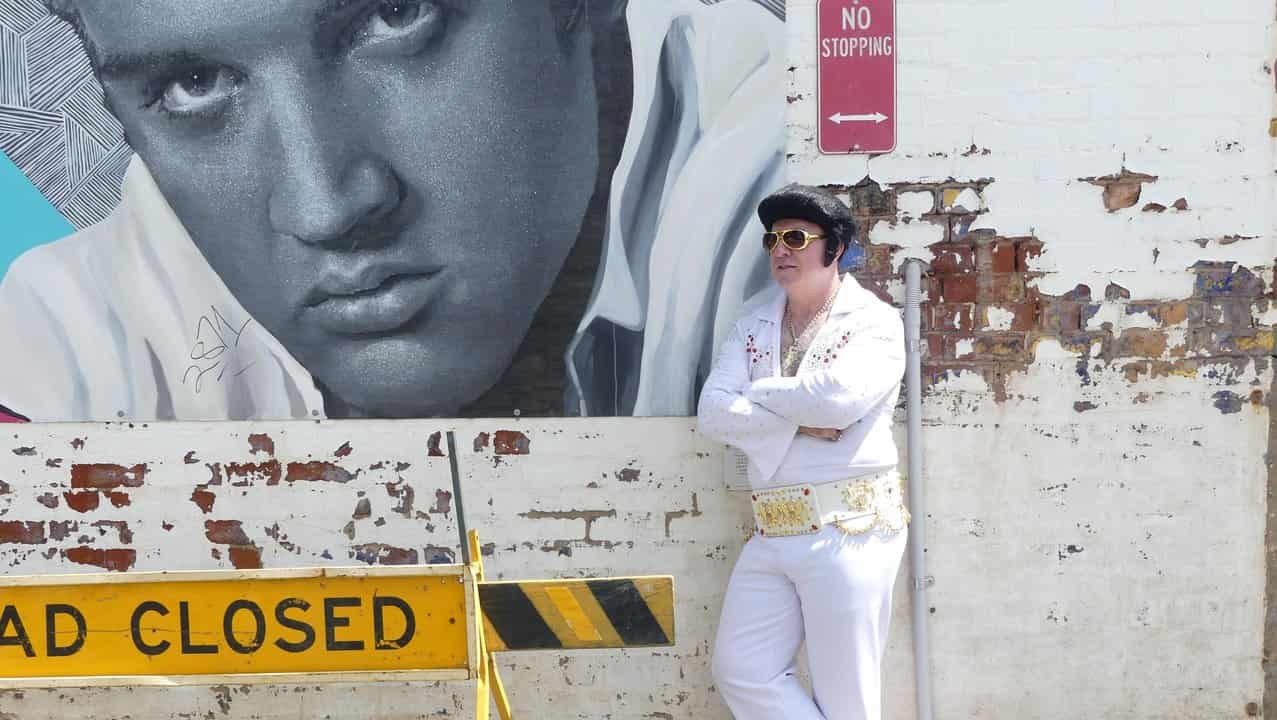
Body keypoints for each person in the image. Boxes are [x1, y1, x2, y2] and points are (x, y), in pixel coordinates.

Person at [0, 0, 786, 421]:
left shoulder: (796, 197)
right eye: (194, 83)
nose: (326, 207)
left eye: (397, 16)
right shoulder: (72, 340)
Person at [697, 183, 909, 720]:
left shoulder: (873, 321)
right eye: (772, 239)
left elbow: (838, 401)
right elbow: (712, 411)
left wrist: (758, 393)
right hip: (772, 528)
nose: (780, 250)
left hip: (850, 527)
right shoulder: (754, 323)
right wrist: (797, 421)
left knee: (847, 693)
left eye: (796, 237)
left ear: (834, 248)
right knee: (742, 668)